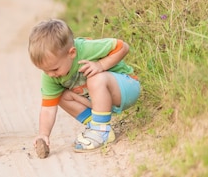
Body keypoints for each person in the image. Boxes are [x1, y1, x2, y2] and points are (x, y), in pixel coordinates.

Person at [28, 18, 140, 155]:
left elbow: (122, 47)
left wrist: (100, 65)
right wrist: (43, 134)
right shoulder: (50, 76)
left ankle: (100, 131)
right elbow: (48, 108)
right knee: (59, 96)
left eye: (55, 69)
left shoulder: (86, 49)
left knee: (95, 78)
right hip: (100, 103)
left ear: (72, 53)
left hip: (125, 88)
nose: (51, 74)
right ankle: (97, 126)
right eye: (45, 71)